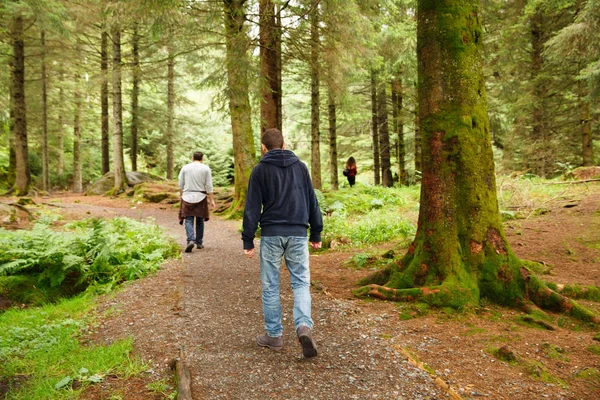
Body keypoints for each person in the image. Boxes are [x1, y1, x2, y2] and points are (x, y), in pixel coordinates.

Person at [242, 128, 323, 358]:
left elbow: (251, 208)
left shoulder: (259, 170)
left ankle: (275, 336)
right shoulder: (300, 167)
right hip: (298, 233)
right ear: (284, 144)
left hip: (271, 234)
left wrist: (248, 239)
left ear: (263, 147)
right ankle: (303, 327)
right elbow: (311, 201)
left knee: (270, 285)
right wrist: (316, 232)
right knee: (300, 283)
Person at [178, 151, 216, 252]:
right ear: (202, 158)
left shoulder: (185, 168)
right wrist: (211, 200)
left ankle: (190, 240)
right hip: (201, 196)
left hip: (187, 196)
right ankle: (199, 243)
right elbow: (209, 185)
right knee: (200, 220)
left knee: (188, 220)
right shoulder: (206, 168)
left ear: (192, 158)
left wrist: (181, 196)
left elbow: (180, 184)